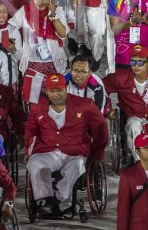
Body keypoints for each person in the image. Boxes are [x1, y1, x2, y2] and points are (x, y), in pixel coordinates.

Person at [24, 72, 108, 217]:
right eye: (52, 91)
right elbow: (31, 130)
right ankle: (46, 200)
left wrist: (98, 152)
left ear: (66, 88)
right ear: (46, 91)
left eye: (59, 90)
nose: (56, 95)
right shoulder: (37, 106)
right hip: (48, 150)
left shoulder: (85, 105)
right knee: (34, 162)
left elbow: (101, 126)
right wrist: (27, 150)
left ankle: (59, 199)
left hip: (75, 151)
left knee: (76, 166)